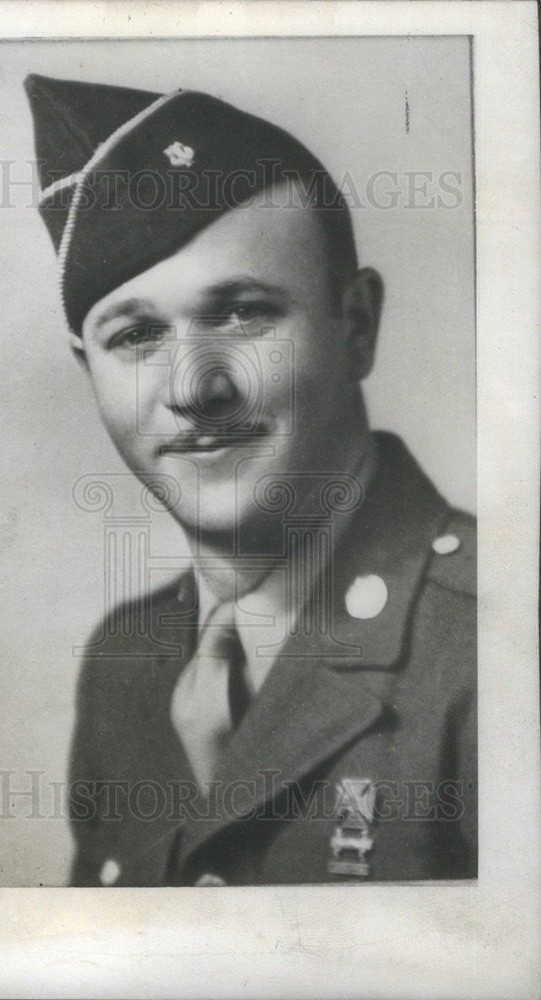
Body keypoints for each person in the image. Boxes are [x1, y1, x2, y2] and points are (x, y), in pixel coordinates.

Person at [25, 73, 477, 886]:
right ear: (86, 369)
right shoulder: (126, 663)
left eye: (242, 313)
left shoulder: (498, 645)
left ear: (357, 326)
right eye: (135, 336)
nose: (194, 388)